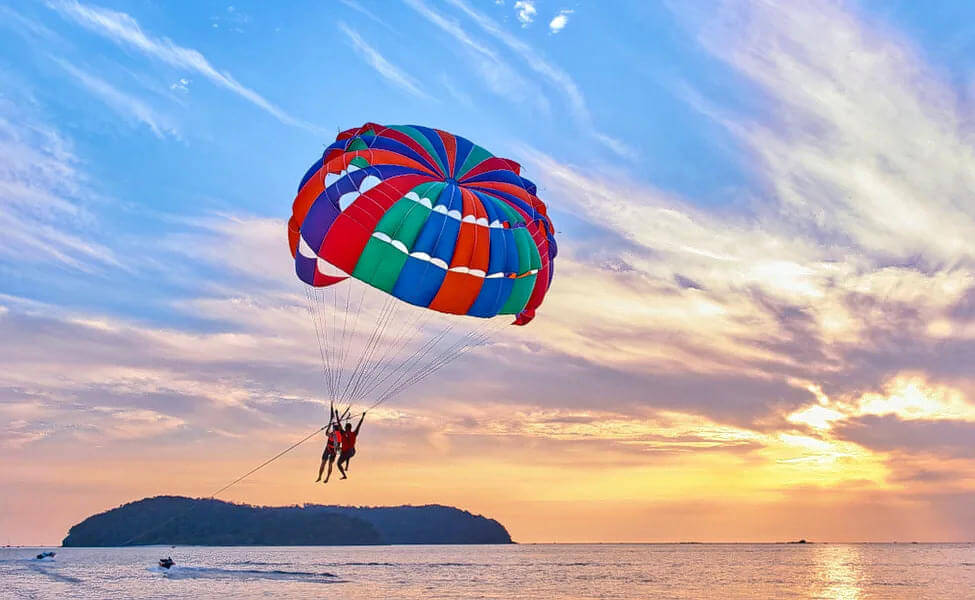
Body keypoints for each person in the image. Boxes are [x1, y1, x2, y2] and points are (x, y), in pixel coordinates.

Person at [316, 408, 343, 484]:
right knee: (330, 464)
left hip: (328, 449)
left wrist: (329, 425)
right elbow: (339, 426)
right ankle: (327, 478)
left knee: (323, 463)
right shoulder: (340, 435)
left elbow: (326, 433)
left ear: (334, 429)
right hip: (333, 450)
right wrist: (337, 416)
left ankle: (320, 477)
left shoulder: (332, 434)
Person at [336, 412, 365, 479]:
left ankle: (345, 473)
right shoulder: (354, 433)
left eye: (345, 427)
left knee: (339, 463)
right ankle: (346, 469)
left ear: (346, 428)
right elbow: (359, 425)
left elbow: (339, 424)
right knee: (345, 452)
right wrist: (363, 416)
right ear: (350, 428)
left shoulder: (343, 433)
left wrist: (337, 414)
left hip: (348, 452)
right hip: (351, 452)